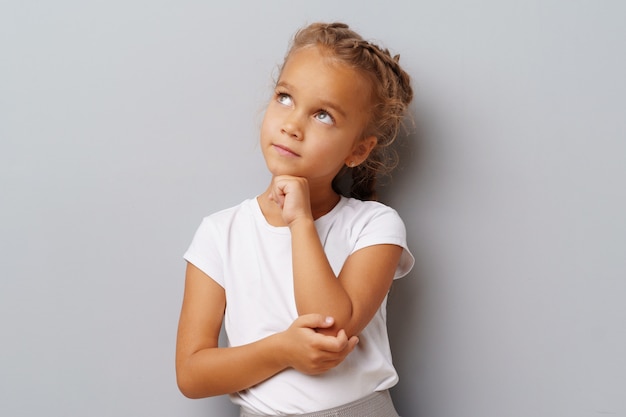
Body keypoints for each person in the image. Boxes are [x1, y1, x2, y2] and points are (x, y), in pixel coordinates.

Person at [176, 22, 415, 417]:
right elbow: (191, 373)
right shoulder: (220, 233)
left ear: (357, 150)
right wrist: (281, 348)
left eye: (323, 115)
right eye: (285, 97)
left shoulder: (375, 226)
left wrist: (301, 222)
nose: (292, 125)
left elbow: (330, 325)